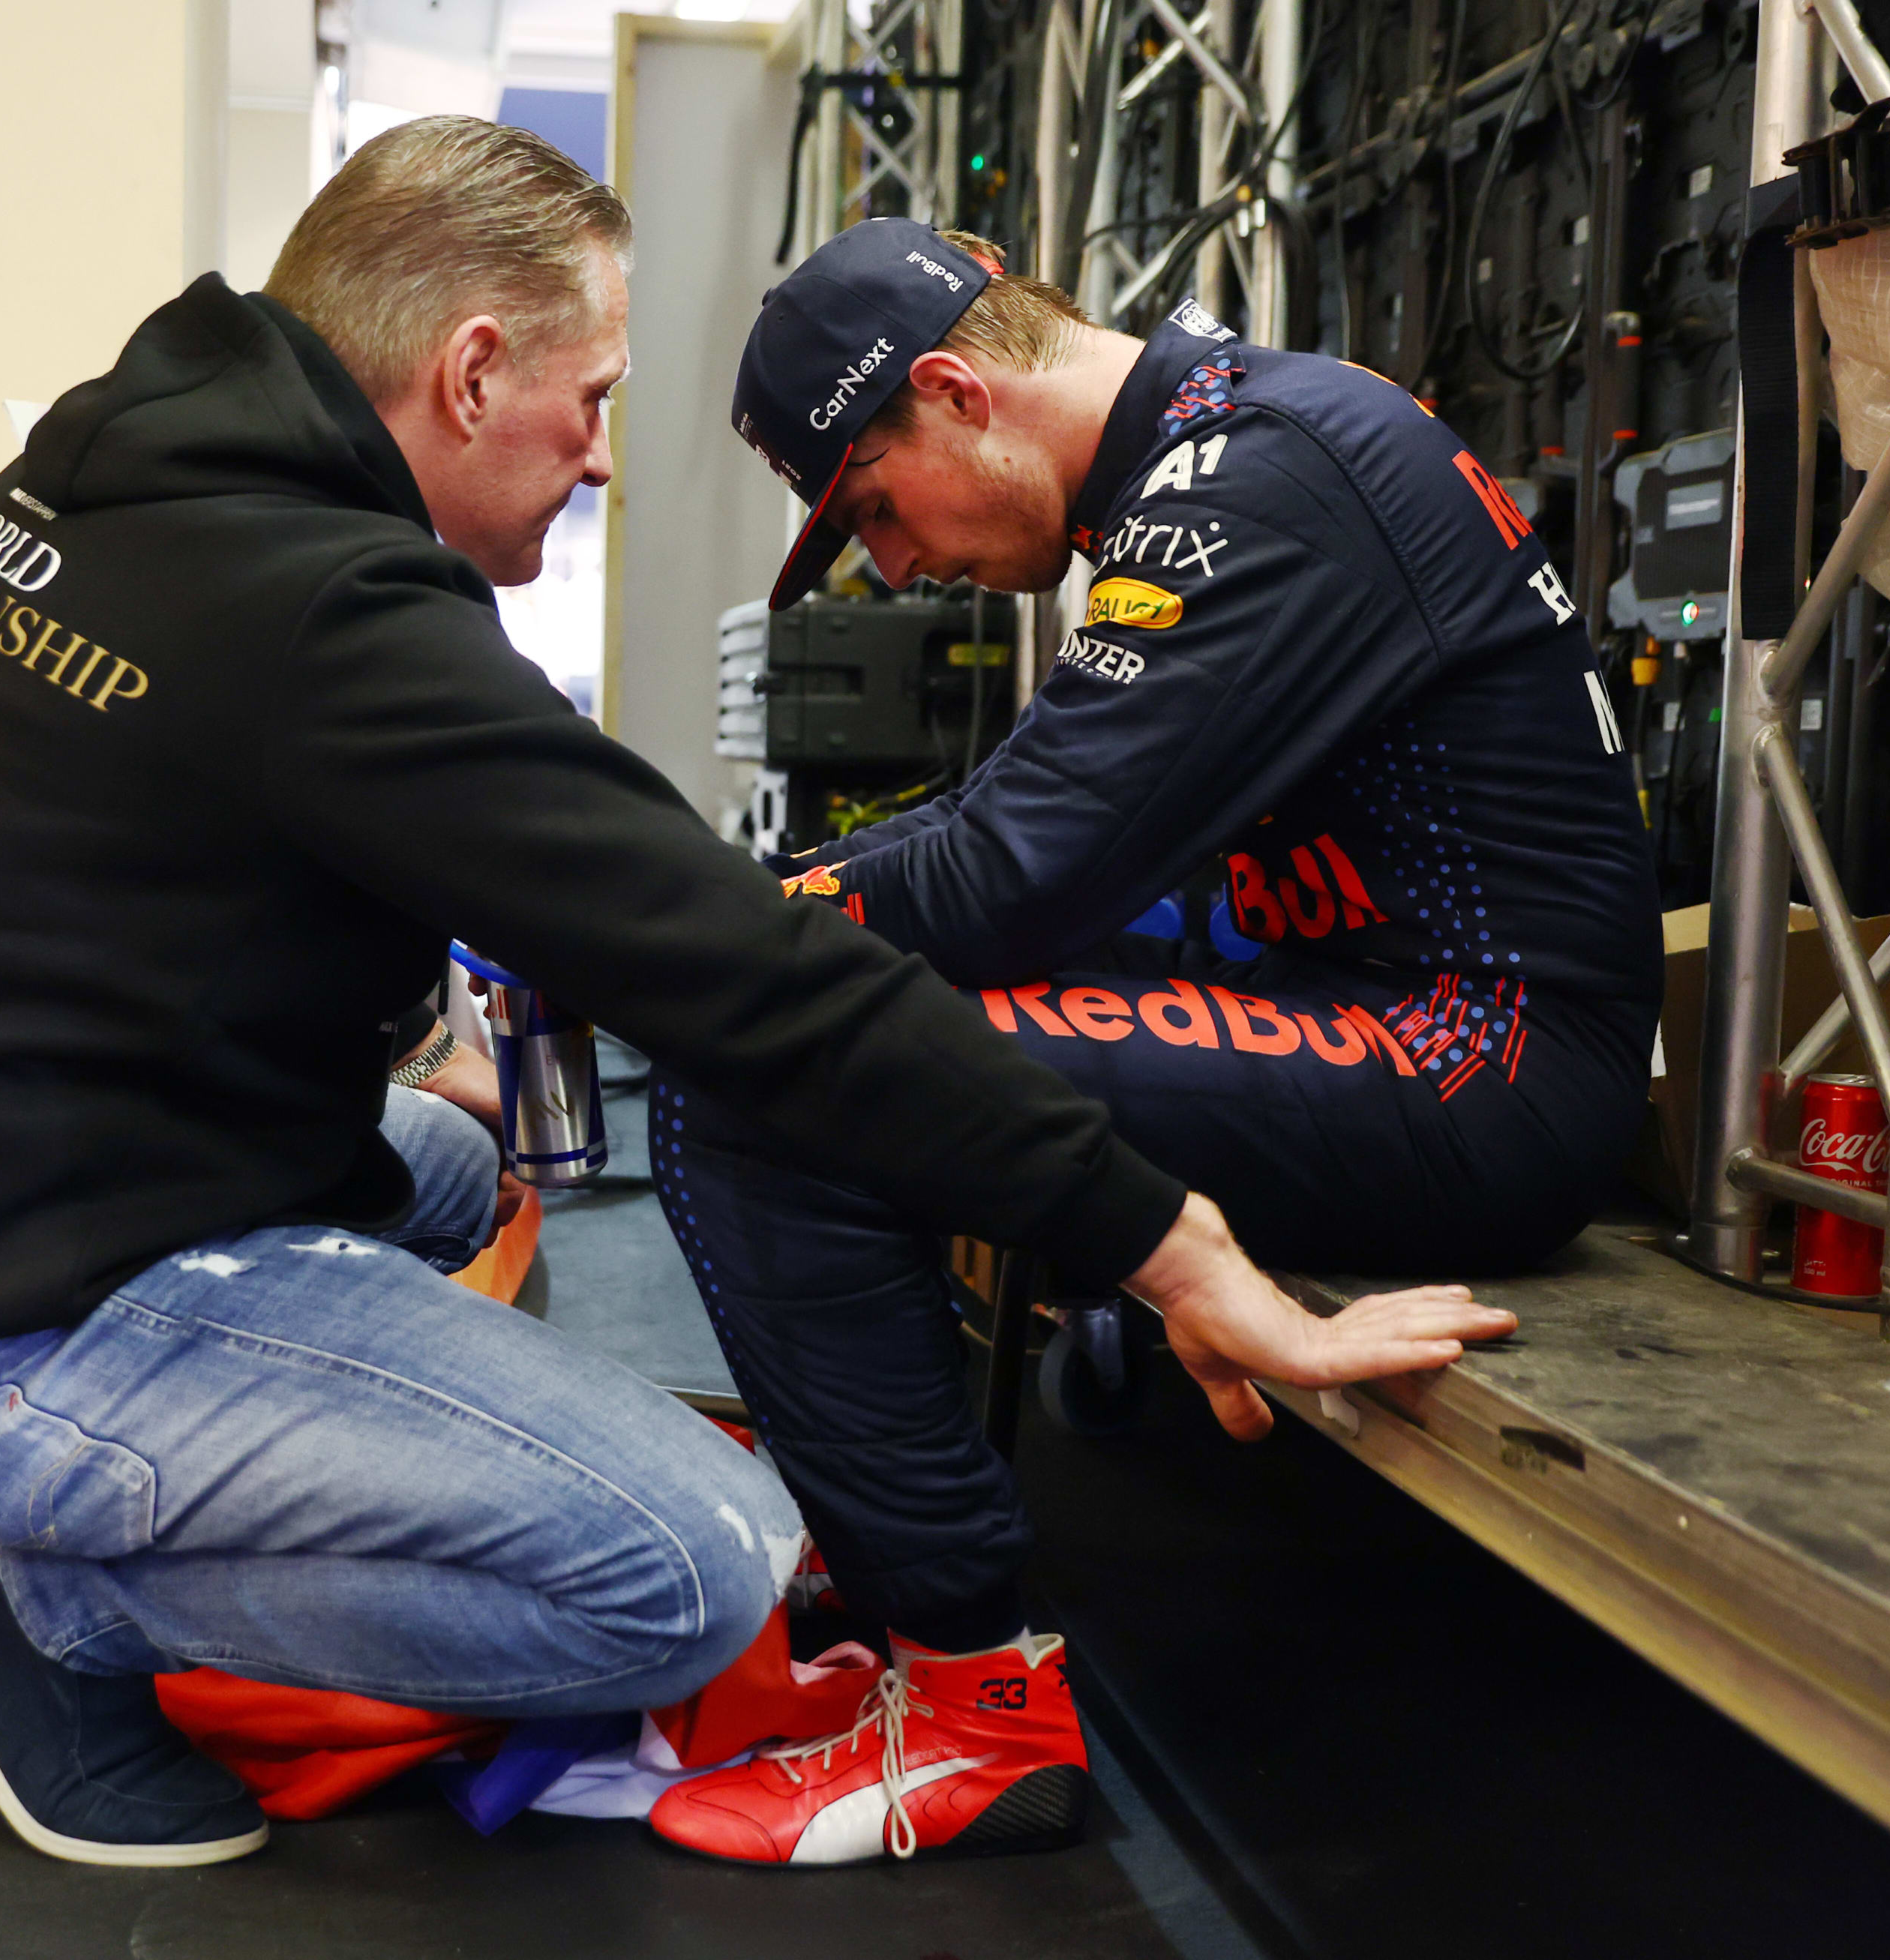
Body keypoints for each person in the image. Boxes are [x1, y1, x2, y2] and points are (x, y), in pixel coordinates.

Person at [0, 123, 1510, 1874]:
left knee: (448, 1170)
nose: (599, 460)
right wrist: (1175, 1245)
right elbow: (755, 987)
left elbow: (171, 866)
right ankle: (54, 1603)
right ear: (470, 370)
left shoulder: (121, 481)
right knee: (692, 1569)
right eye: (588, 402)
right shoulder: (318, 615)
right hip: (9, 1325)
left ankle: (127, 1489)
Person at [631, 219, 1658, 1864]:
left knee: (773, 1070)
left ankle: (971, 1702)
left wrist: (715, 922)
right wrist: (777, 908)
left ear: (957, 392)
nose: (891, 568)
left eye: (875, 508)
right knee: (813, 1019)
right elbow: (1013, 827)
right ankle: (884, 1557)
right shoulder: (1199, 459)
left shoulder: (1257, 477)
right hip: (1347, 1004)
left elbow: (1011, 876)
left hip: (1482, 1057)